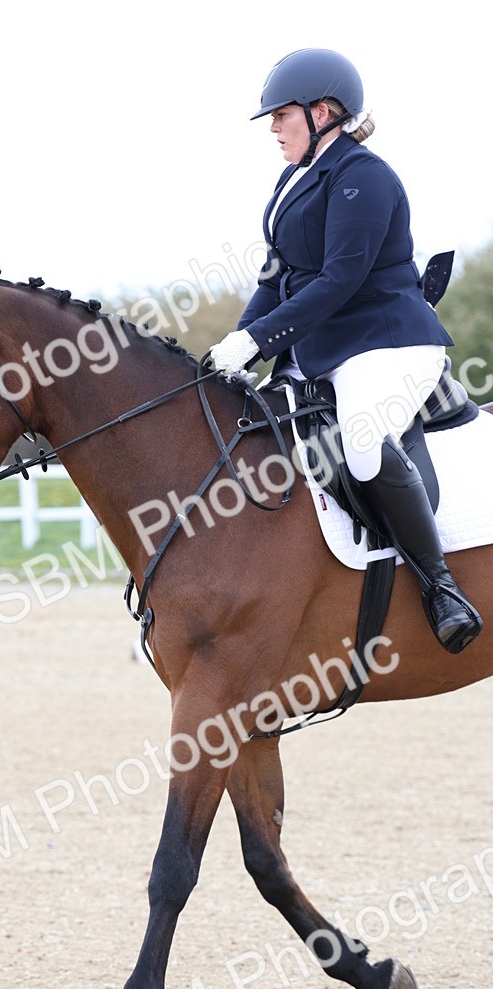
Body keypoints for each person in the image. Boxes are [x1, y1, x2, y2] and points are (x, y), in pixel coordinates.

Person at [210, 47, 482, 654]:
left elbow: (341, 280)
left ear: (324, 112)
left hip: (388, 344)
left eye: (282, 115)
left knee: (360, 441)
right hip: (321, 348)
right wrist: (237, 344)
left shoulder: (365, 176)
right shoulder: (296, 179)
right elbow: (276, 276)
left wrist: (259, 339)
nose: (273, 127)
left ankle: (440, 587)